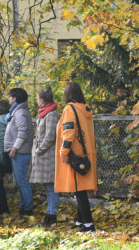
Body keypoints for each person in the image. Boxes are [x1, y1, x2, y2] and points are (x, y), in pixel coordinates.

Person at [56, 82, 98, 233]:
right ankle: (81, 221)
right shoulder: (84, 109)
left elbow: (69, 132)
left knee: (78, 191)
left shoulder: (70, 109)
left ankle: (88, 225)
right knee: (80, 189)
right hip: (86, 154)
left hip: (75, 155)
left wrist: (63, 152)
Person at [29, 87, 61, 227]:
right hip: (43, 156)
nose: (37, 101)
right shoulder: (44, 113)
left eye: (37, 99)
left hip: (49, 156)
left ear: (41, 101)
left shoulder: (52, 114)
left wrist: (38, 150)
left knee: (52, 187)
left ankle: (52, 215)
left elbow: (50, 136)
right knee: (49, 187)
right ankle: (50, 214)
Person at [5, 87, 35, 216]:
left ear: (15, 98)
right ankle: (23, 207)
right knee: (19, 182)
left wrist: (14, 148)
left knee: (22, 182)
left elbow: (23, 132)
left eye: (10, 96)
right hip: (18, 152)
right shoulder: (17, 111)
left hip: (20, 152)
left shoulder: (20, 112)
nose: (9, 98)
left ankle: (28, 209)